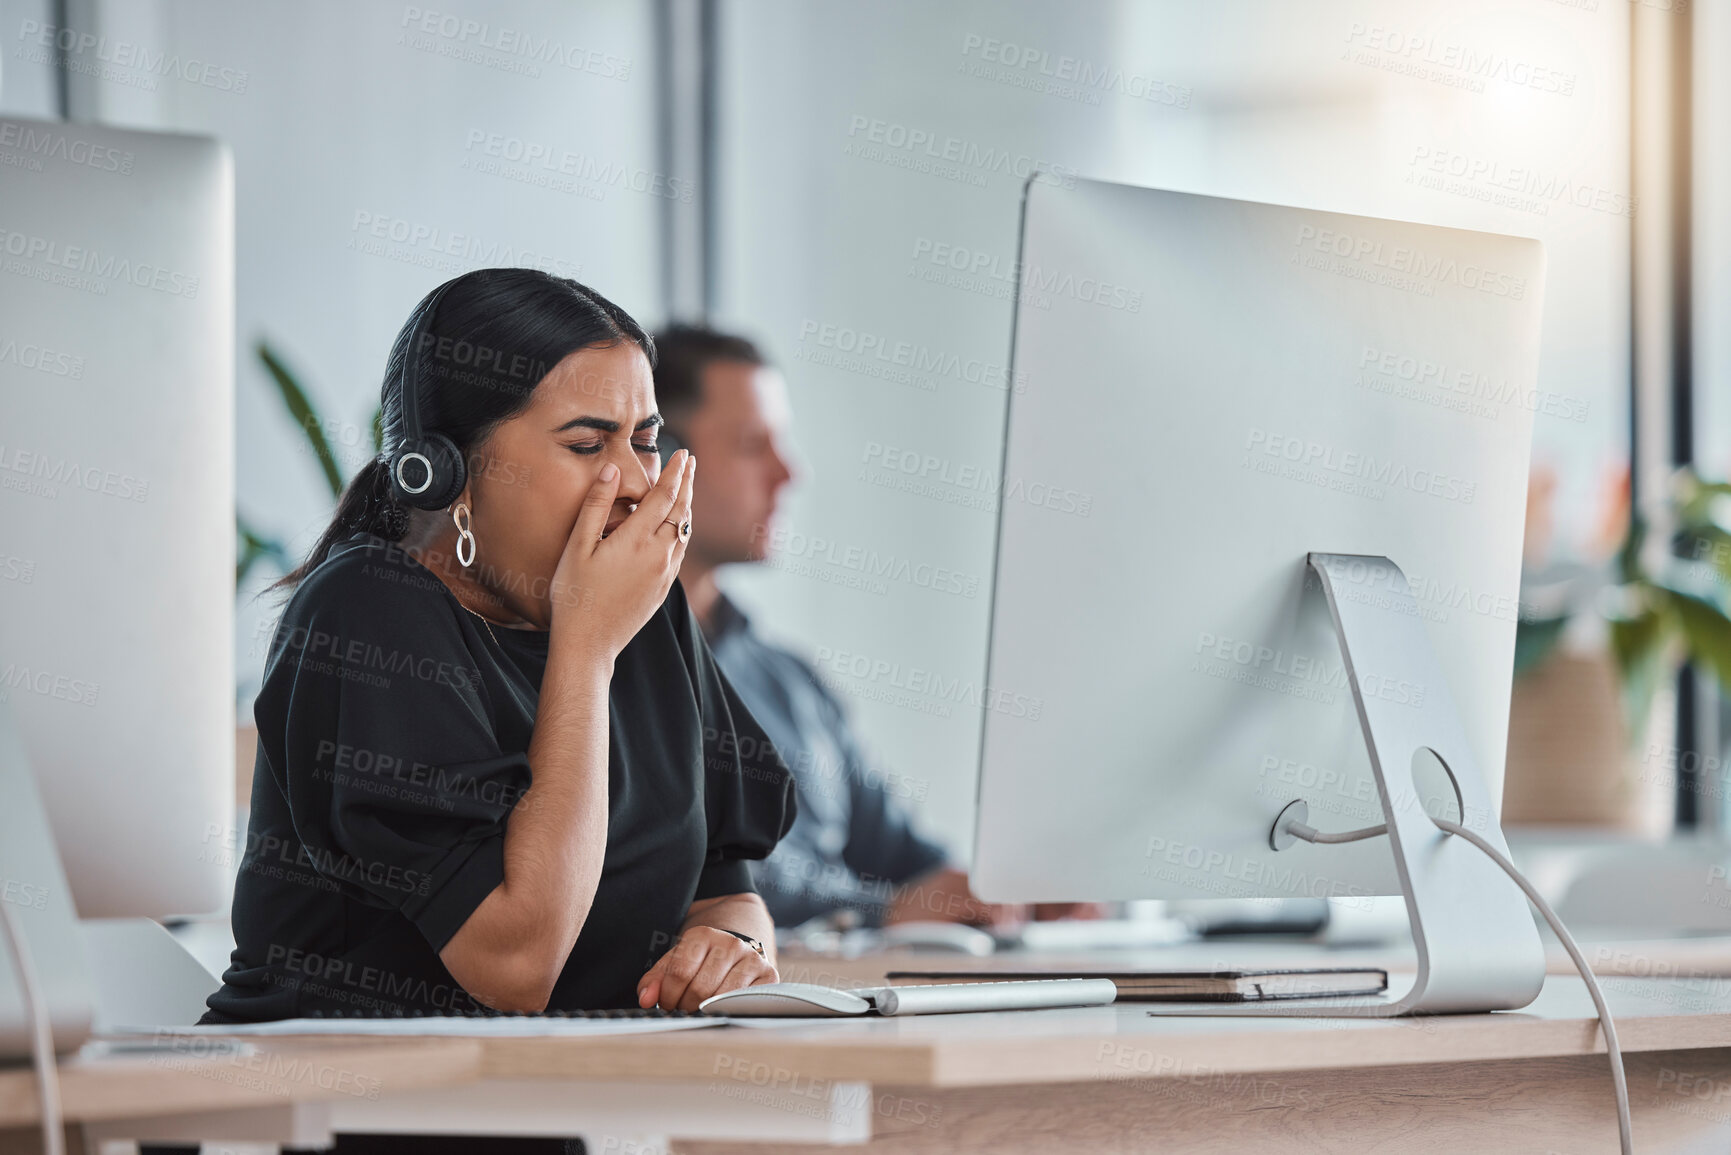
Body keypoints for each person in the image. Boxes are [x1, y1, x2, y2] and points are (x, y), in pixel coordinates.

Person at [206, 271, 796, 1032]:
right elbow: (515, 965)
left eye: (645, 442)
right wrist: (585, 651)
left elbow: (724, 882)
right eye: (586, 443)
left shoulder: (644, 613)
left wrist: (729, 944)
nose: (632, 483)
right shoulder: (368, 612)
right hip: (343, 1107)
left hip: (571, 1094)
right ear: (448, 470)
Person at [649, 325, 1011, 929]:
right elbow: (691, 879)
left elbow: (898, 854)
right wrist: (883, 912)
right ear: (663, 462)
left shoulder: (788, 680)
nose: (790, 473)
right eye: (751, 445)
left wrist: (998, 893)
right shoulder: (601, 669)